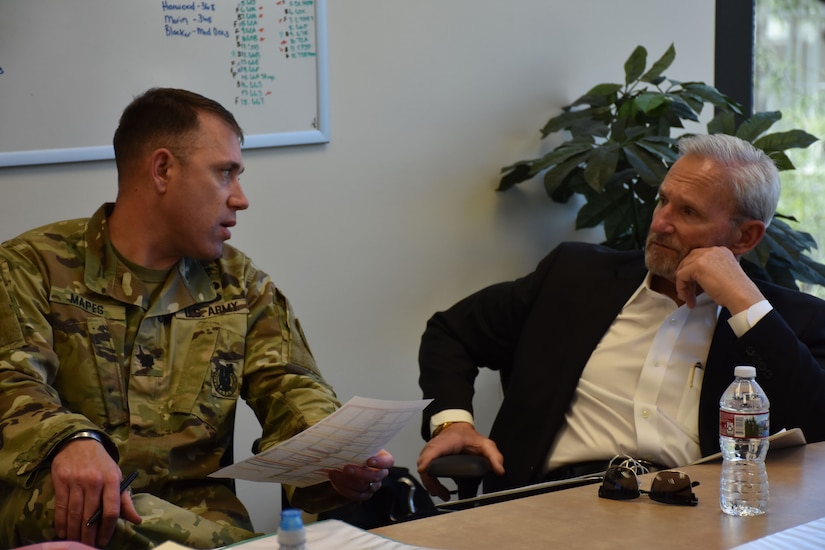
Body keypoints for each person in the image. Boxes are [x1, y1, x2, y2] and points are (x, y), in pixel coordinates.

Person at [0, 88, 394, 549]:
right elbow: (10, 379)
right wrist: (71, 439)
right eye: (225, 173)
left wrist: (335, 457)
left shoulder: (238, 283)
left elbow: (289, 386)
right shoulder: (31, 267)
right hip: (78, 511)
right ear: (163, 169)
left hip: (204, 518)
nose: (241, 198)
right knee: (85, 497)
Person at [416, 133, 825, 501]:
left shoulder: (792, 323)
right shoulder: (574, 277)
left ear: (745, 237)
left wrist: (743, 302)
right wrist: (453, 424)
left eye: (688, 212)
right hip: (551, 504)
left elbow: (819, 425)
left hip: (691, 516)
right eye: (663, 200)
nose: (661, 223)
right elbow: (452, 332)